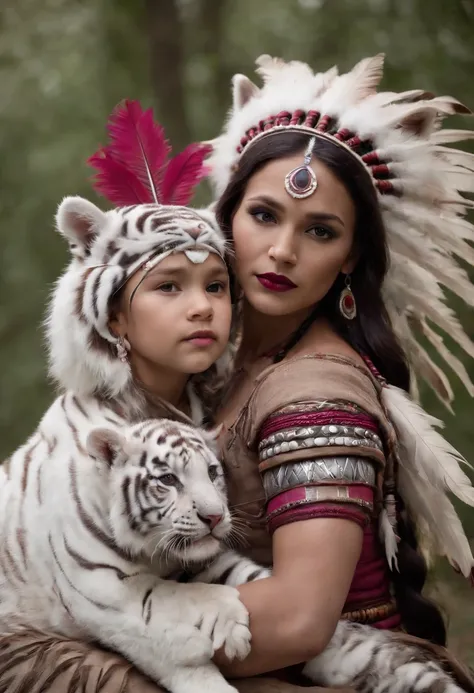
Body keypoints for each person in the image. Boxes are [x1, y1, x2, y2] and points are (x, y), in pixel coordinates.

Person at [0, 101, 331, 693]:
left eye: (215, 284)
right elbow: (101, 609)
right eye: (168, 286)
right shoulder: (85, 444)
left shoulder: (224, 402)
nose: (202, 306)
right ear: (114, 319)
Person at [201, 54, 474, 687]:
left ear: (351, 257)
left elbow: (298, 620)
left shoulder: (318, 394)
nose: (282, 251)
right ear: (228, 215)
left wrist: (100, 640)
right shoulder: (223, 365)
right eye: (264, 215)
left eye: (320, 231)